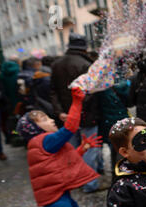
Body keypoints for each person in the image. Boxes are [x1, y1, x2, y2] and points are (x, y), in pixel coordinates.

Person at [50, 33, 103, 193]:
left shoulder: (56, 64)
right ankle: (89, 184)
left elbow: (53, 91)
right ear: (84, 46)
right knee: (89, 146)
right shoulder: (86, 64)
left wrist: (60, 112)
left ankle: (76, 180)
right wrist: (77, 108)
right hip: (87, 115)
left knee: (72, 150)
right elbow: (91, 92)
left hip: (67, 116)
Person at [0, 56, 20, 145]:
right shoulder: (18, 73)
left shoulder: (2, 75)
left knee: (12, 122)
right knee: (20, 120)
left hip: (7, 103)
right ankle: (21, 136)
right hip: (19, 102)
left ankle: (14, 135)